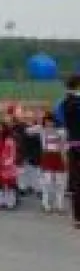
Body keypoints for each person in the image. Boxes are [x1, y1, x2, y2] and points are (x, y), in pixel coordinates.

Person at [37, 111, 68, 214]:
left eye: (50, 121)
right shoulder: (42, 130)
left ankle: (60, 205)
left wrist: (65, 158)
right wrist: (38, 118)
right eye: (46, 121)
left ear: (54, 121)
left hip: (58, 157)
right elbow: (28, 130)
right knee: (47, 183)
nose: (49, 123)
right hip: (47, 158)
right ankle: (46, 204)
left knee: (60, 183)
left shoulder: (61, 132)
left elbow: (65, 146)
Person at [60, 74, 80, 228]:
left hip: (74, 146)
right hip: (76, 146)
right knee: (77, 182)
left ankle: (77, 217)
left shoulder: (68, 102)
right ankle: (78, 217)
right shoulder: (71, 103)